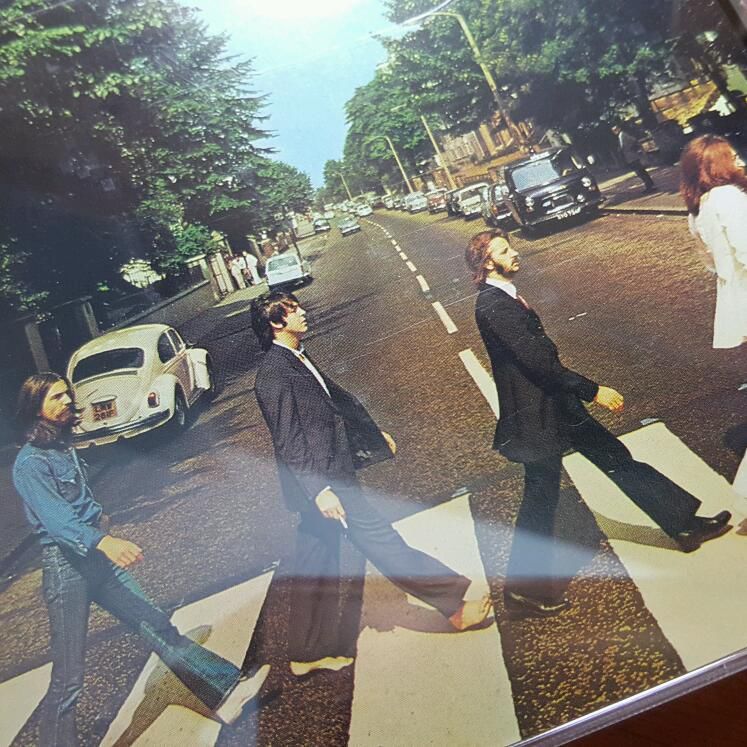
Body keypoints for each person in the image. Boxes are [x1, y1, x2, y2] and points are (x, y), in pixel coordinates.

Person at [465, 229, 732, 618]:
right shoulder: (493, 304)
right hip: (537, 415)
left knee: (616, 458)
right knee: (541, 497)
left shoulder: (503, 296)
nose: (515, 252)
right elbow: (539, 364)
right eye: (505, 250)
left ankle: (683, 524)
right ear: (488, 262)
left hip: (555, 406)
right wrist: (593, 391)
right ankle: (521, 592)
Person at [12, 373, 269, 745]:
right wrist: (103, 540)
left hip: (95, 557)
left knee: (156, 624)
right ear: (35, 408)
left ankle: (226, 692)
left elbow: (78, 502)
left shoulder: (62, 446)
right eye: (55, 397)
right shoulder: (30, 464)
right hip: (67, 569)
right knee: (69, 678)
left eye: (67, 394)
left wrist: (99, 518)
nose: (67, 401)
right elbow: (58, 521)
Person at [250, 291, 490, 676]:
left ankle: (307, 652)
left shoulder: (296, 357)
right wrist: (319, 491)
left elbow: (335, 407)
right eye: (293, 310)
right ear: (276, 323)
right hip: (325, 482)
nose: (303, 312)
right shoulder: (273, 374)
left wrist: (375, 438)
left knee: (316, 563)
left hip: (329, 474)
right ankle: (455, 606)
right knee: (382, 542)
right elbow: (288, 440)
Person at [680, 134, 747, 511]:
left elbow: (710, 263)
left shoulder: (699, 209)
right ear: (715, 165)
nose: (739, 160)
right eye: (732, 156)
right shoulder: (726, 198)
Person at [611, 123, 656, 193]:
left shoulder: (623, 135)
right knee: (641, 172)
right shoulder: (621, 136)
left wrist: (632, 149)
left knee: (641, 172)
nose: (615, 131)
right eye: (613, 131)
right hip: (630, 158)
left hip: (633, 157)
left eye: (615, 129)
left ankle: (650, 186)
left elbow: (633, 141)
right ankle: (650, 185)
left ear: (619, 129)